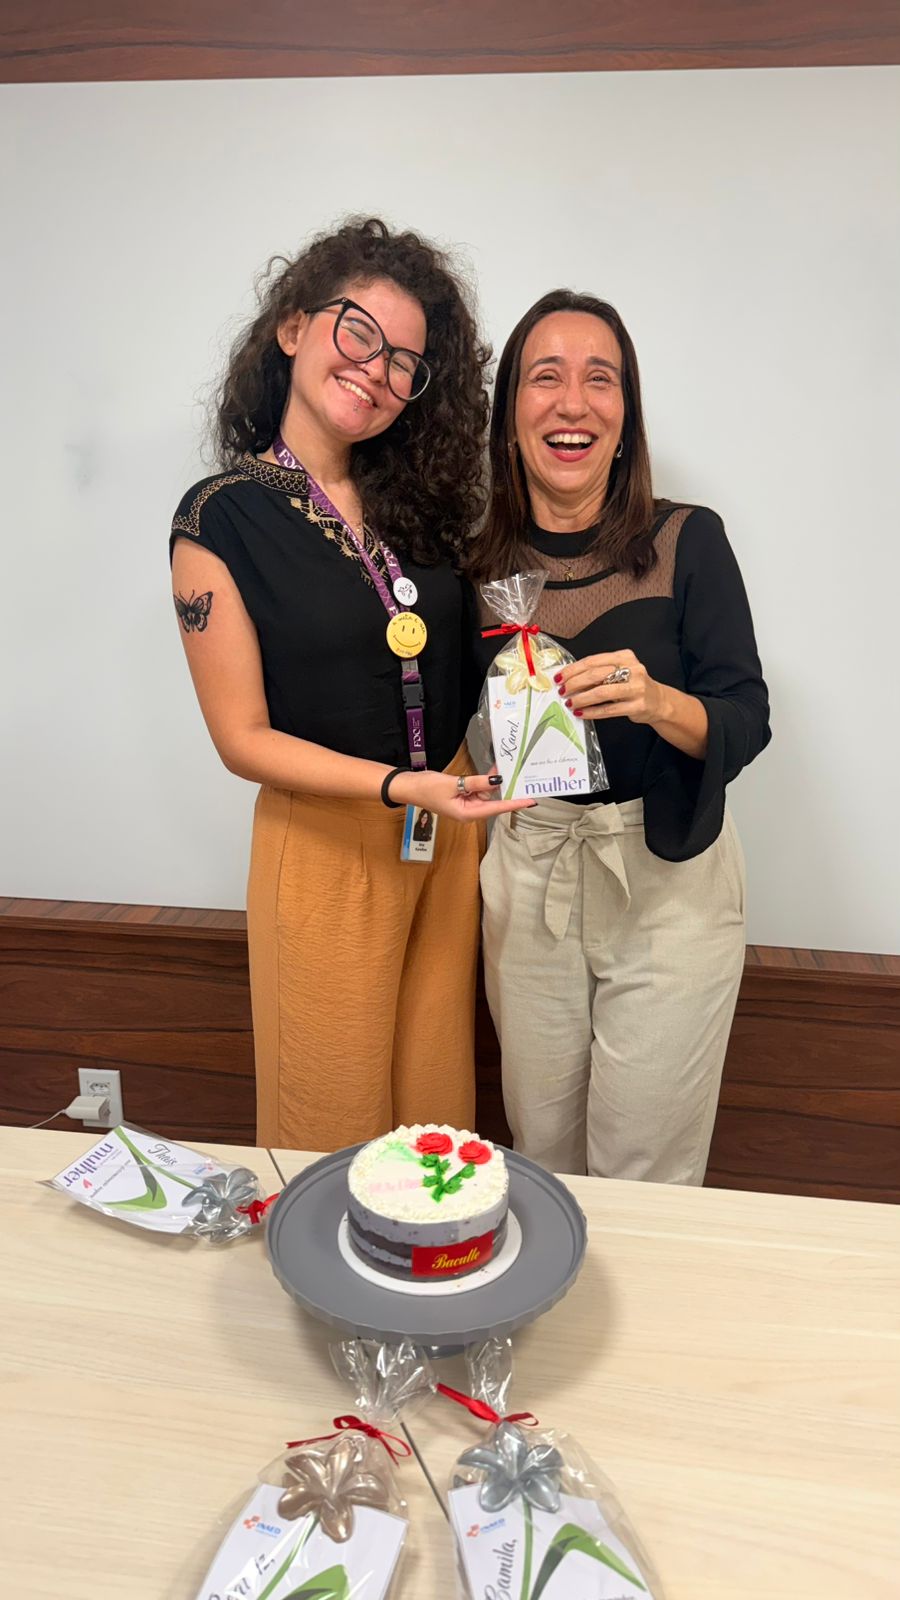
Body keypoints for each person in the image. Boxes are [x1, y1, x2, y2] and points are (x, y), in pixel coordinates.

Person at [170, 217, 530, 1150]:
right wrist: (401, 785)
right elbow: (242, 739)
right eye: (358, 333)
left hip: (444, 836)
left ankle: (428, 1251)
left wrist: (545, 694)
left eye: (405, 362)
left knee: (434, 1114)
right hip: (328, 844)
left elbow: (470, 659)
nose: (376, 370)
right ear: (293, 327)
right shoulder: (221, 519)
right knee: (327, 1126)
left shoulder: (422, 505)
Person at [468, 289, 771, 1184]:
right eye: (545, 377)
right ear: (510, 414)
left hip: (668, 882)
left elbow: (746, 716)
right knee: (543, 1156)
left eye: (600, 379)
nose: (573, 402)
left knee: (646, 1170)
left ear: (626, 414)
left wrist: (656, 701)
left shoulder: (688, 540)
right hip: (531, 872)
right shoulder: (474, 566)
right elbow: (453, 732)